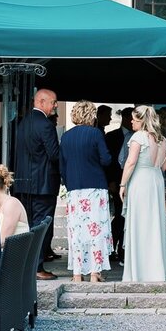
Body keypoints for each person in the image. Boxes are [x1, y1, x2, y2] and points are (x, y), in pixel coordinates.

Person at [60, 100, 115, 283]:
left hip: (75, 188)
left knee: (76, 231)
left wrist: (69, 184)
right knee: (96, 230)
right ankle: (94, 272)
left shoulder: (66, 136)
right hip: (95, 186)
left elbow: (62, 165)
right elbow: (106, 160)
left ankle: (77, 274)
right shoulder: (95, 133)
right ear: (91, 115)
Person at [12, 88, 62, 280]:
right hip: (43, 184)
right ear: (41, 102)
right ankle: (37, 267)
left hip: (24, 183)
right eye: (54, 102)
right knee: (41, 226)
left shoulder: (23, 123)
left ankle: (28, 265)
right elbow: (54, 155)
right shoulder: (46, 125)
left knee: (28, 226)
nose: (55, 106)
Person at [119, 105, 166, 282]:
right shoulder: (162, 139)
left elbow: (130, 162)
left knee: (140, 223)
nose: (131, 121)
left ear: (142, 120)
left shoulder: (139, 137)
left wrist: (122, 184)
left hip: (141, 180)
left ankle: (141, 270)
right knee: (155, 223)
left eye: (134, 118)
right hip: (156, 179)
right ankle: (157, 269)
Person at [105, 107, 132, 263]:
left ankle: (123, 247)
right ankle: (113, 246)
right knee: (120, 215)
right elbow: (108, 163)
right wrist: (111, 181)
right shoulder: (111, 136)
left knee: (127, 216)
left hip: (133, 182)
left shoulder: (138, 135)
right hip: (117, 181)